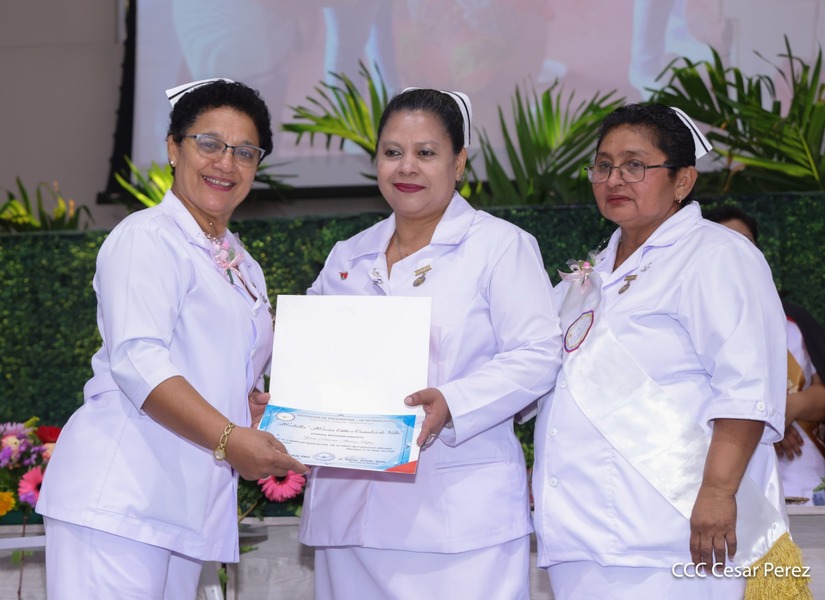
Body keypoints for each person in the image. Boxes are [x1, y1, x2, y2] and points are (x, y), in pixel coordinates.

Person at [37, 79, 307, 599]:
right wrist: (230, 439)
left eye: (244, 152)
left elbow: (213, 365)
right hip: (122, 498)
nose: (226, 163)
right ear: (173, 148)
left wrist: (248, 408)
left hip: (183, 507)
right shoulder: (148, 236)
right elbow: (138, 360)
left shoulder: (241, 263)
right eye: (209, 144)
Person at [532, 103, 810, 598]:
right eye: (603, 165)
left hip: (679, 535)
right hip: (581, 539)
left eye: (635, 165)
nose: (614, 179)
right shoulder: (585, 279)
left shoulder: (717, 255)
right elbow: (532, 366)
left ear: (682, 180)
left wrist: (718, 492)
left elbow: (746, 387)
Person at [297, 88, 563, 599]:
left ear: (458, 162)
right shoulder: (348, 256)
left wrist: (452, 402)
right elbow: (312, 355)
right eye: (392, 152)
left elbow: (538, 354)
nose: (407, 167)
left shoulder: (499, 246)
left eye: (426, 153)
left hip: (457, 521)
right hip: (347, 518)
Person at [704, 205, 825, 505]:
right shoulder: (695, 326)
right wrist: (761, 421)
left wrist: (785, 409)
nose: (737, 254)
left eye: (745, 243)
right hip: (732, 493)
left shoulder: (793, 321)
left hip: (808, 488)